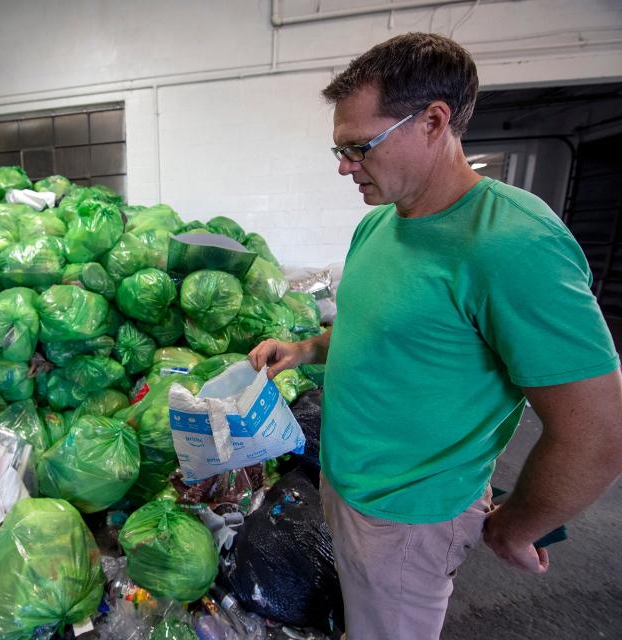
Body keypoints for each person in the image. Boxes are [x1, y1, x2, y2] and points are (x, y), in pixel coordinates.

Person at [249, 32, 622, 639]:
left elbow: (598, 434)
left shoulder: (515, 246)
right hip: (348, 485)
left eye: (358, 148)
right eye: (339, 150)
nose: (345, 167)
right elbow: (374, 328)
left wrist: (516, 526)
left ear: (432, 121)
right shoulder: (379, 227)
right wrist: (304, 350)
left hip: (409, 519)